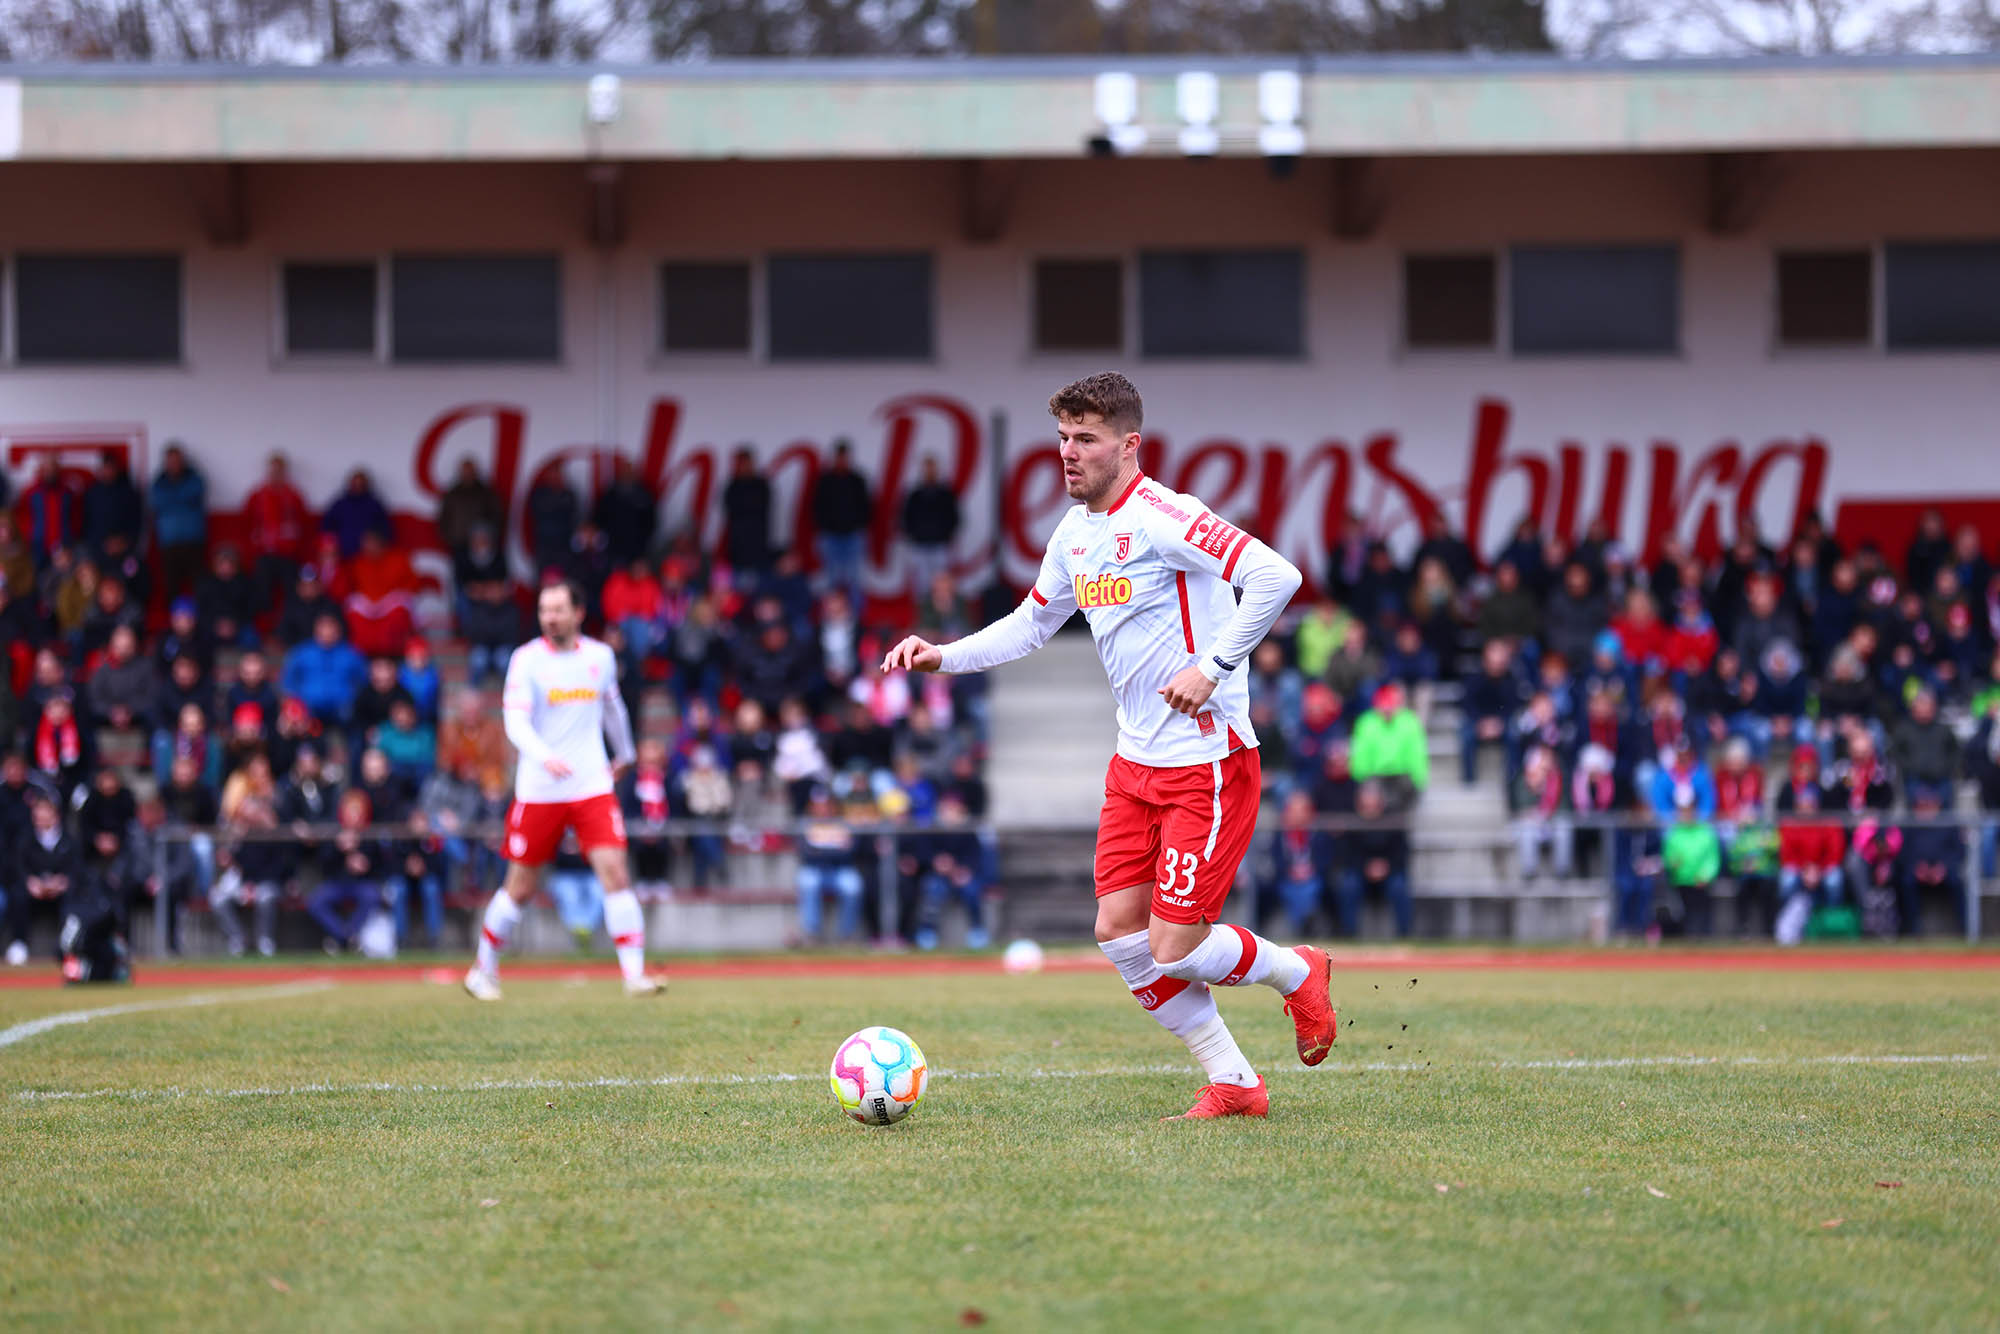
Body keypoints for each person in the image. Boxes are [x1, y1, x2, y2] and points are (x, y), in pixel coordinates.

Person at [881, 372, 1328, 1121]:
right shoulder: (1074, 534)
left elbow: (1276, 576)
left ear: (1129, 445)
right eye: (1061, 438)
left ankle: (1296, 971)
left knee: (1174, 947)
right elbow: (1030, 624)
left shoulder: (1166, 516)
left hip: (1206, 763)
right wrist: (942, 654)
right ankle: (1237, 1083)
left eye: (1085, 439)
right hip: (1134, 769)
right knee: (1120, 936)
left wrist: (1213, 667)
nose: (1068, 453)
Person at [464, 580, 662, 1001]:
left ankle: (634, 976)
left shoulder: (600, 657)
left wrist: (625, 753)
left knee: (616, 872)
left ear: (578, 612)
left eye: (557, 609)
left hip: (591, 782)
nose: (549, 617)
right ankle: (484, 970)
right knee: (520, 886)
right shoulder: (526, 660)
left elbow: (613, 708)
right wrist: (543, 755)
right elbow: (515, 722)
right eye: (543, 610)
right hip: (540, 788)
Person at [242, 452, 312, 613]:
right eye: (273, 470)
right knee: (261, 592)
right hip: (264, 552)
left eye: (279, 471)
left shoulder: (293, 495)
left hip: (288, 553)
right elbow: (247, 521)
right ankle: (263, 629)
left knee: (291, 592)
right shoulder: (258, 495)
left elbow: (303, 522)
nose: (276, 474)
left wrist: (296, 546)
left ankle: (288, 628)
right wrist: (255, 544)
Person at [811, 440, 873, 611]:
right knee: (830, 579)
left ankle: (857, 619)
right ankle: (830, 616)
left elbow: (866, 506)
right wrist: (826, 526)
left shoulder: (857, 480)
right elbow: (817, 507)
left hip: (853, 535)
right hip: (830, 536)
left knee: (855, 579)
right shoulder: (825, 480)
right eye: (839, 457)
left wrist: (858, 524)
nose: (842, 461)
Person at [151, 444, 209, 600]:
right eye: (171, 460)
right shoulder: (158, 482)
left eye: (177, 460)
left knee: (199, 586)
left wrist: (173, 499)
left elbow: (195, 493)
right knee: (171, 585)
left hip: (193, 540)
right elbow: (157, 502)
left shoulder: (195, 478)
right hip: (169, 542)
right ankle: (174, 622)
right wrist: (181, 498)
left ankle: (200, 621)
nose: (174, 464)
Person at [900, 456, 960, 596]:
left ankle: (941, 614)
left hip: (940, 544)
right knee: (921, 584)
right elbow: (906, 517)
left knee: (942, 583)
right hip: (920, 545)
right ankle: (924, 614)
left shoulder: (945, 493)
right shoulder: (915, 494)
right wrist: (913, 535)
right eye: (927, 469)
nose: (929, 472)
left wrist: (946, 534)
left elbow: (954, 517)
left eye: (932, 468)